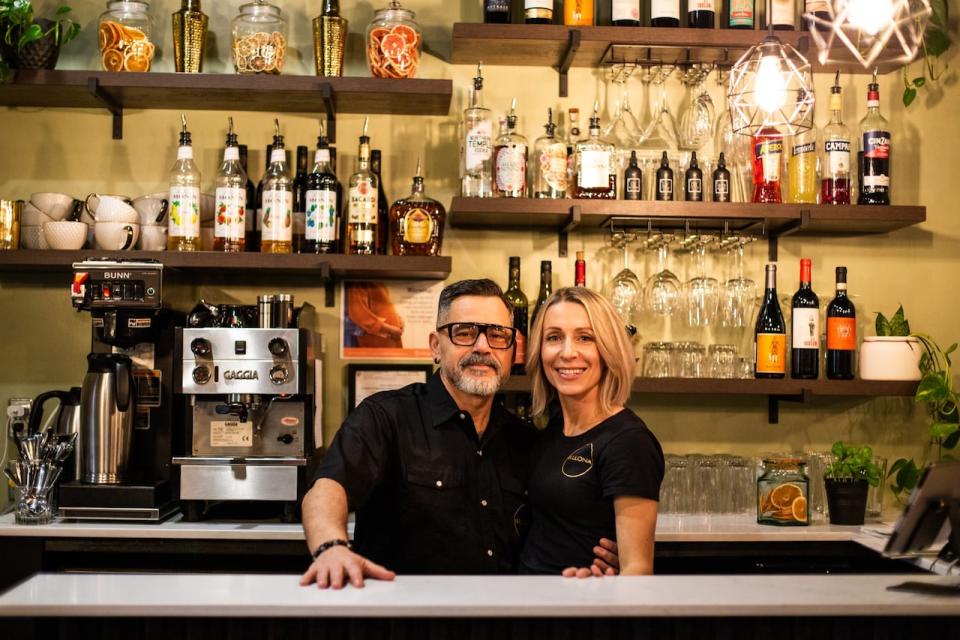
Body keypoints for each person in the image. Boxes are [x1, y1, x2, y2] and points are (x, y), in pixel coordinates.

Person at [300, 279, 618, 589]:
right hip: (404, 625)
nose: (482, 347)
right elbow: (327, 489)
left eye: (497, 335)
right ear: (436, 346)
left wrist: (597, 557)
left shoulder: (527, 440)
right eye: (464, 333)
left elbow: (554, 526)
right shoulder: (386, 417)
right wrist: (331, 548)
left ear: (513, 351)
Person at [519, 287, 664, 576]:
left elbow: (637, 569)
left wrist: (603, 590)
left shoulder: (628, 441)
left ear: (608, 349)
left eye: (585, 338)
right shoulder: (551, 430)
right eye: (554, 337)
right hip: (532, 608)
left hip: (579, 612)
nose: (567, 352)